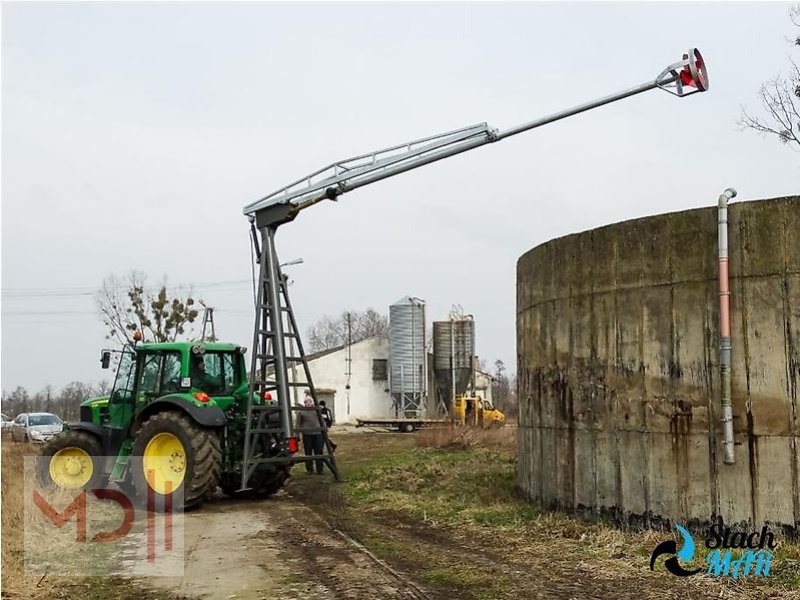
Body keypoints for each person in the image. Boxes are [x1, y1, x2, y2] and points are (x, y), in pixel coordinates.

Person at [295, 396, 324, 475]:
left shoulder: (316, 410)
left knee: (319, 451)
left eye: (309, 402)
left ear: (312, 402)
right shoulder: (301, 412)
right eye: (306, 402)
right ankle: (309, 469)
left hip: (318, 433)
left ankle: (320, 469)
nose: (308, 403)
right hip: (307, 434)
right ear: (304, 403)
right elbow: (298, 424)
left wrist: (324, 430)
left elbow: (322, 420)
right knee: (308, 452)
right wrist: (297, 435)